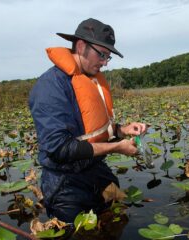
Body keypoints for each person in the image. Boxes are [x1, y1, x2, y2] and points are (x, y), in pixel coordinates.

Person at [29, 18, 147, 223]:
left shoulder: (91, 79)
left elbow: (92, 130)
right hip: (66, 186)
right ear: (81, 46)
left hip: (96, 171)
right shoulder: (50, 87)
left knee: (115, 222)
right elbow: (59, 149)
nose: (104, 63)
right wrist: (116, 147)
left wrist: (122, 130)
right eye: (101, 55)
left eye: (108, 57)